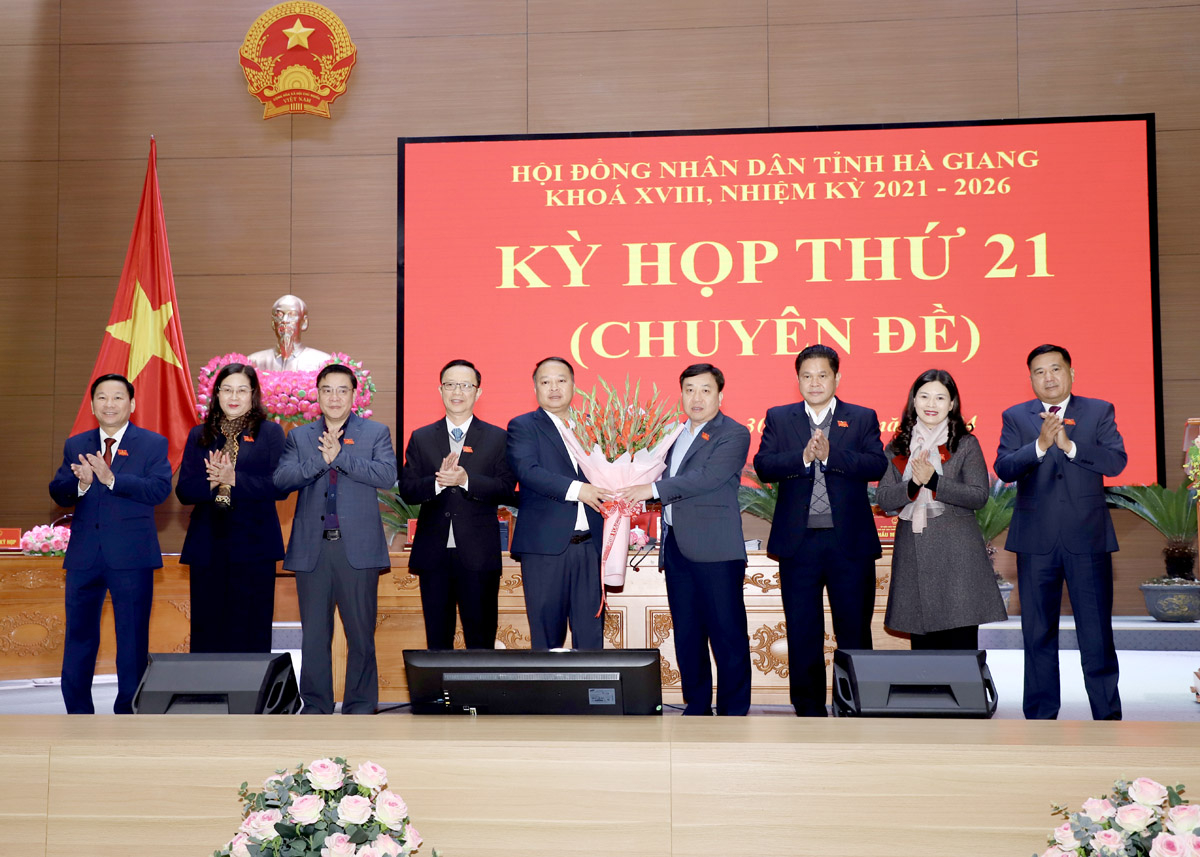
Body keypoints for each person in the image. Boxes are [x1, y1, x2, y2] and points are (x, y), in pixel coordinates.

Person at [753, 345, 888, 716]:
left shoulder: (860, 417)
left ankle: (856, 705)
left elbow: (877, 463)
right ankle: (808, 708)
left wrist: (831, 456)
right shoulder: (780, 418)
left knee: (855, 632)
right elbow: (764, 465)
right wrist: (804, 457)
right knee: (802, 630)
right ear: (797, 380)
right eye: (807, 376)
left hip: (850, 544)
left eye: (822, 375)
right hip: (799, 544)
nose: (815, 382)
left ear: (837, 378)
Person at [995, 344, 1127, 720]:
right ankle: (1040, 717)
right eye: (1039, 371)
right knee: (1037, 634)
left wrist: (1070, 447)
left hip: (1088, 539)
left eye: (1055, 369)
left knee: (1097, 634)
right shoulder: (1016, 416)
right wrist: (1038, 446)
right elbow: (1004, 467)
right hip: (1036, 542)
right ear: (1031, 378)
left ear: (1071, 373)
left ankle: (1106, 716)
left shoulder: (1098, 411)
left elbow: (1116, 461)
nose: (1048, 377)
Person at [620, 364, 752, 715]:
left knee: (727, 634)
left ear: (720, 396)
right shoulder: (671, 435)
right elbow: (654, 475)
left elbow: (706, 478)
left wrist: (649, 489)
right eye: (689, 389)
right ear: (681, 394)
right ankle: (697, 704)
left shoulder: (733, 433)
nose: (696, 397)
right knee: (688, 633)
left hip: (716, 550)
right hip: (676, 547)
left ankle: (734, 710)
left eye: (705, 390)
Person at [274, 363, 397, 714]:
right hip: (313, 549)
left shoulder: (374, 433)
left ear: (354, 395)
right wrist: (319, 462)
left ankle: (360, 706)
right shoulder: (299, 436)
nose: (334, 397)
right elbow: (282, 481)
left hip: (356, 549)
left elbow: (387, 474)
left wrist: (341, 458)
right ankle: (315, 705)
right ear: (317, 394)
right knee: (314, 637)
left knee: (360, 635)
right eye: (327, 389)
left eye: (342, 390)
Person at [48, 374, 172, 714]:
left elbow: (159, 490)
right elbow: (57, 490)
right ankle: (77, 714)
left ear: (131, 404)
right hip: (85, 556)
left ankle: (128, 713)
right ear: (92, 405)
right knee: (79, 638)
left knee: (131, 641)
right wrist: (82, 485)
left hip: (131, 557)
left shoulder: (152, 443)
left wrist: (111, 478)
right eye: (102, 397)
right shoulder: (77, 443)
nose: (109, 404)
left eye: (118, 397)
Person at [875, 369, 1006, 649]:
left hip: (958, 557)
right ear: (914, 401)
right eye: (924, 396)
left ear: (952, 404)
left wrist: (935, 481)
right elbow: (885, 498)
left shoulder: (965, 444)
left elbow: (979, 495)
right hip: (915, 555)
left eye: (939, 397)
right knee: (924, 657)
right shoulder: (897, 447)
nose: (931, 404)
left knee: (961, 652)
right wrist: (913, 485)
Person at [399, 359, 516, 649]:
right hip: (433, 554)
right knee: (437, 640)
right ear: (440, 391)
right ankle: (438, 696)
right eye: (450, 384)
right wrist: (439, 482)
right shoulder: (422, 437)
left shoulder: (497, 438)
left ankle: (481, 696)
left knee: (481, 639)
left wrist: (465, 479)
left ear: (478, 392)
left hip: (478, 555)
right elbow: (409, 490)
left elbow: (505, 488)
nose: (457, 391)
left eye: (465, 385)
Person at [176, 363, 285, 653]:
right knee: (207, 626)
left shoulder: (270, 433)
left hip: (255, 545)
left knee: (251, 627)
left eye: (241, 390)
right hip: (208, 544)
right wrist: (212, 483)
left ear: (253, 395)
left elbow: (280, 486)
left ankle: (253, 694)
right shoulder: (199, 434)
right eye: (227, 389)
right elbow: (184, 490)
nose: (233, 396)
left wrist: (234, 478)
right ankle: (207, 692)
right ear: (217, 394)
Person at [506, 356, 607, 650]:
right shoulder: (523, 426)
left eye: (561, 380)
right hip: (545, 549)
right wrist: (580, 490)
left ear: (574, 385)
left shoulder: (594, 426)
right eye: (545, 381)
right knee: (547, 637)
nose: (554, 388)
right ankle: (547, 697)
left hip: (592, 546)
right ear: (535, 388)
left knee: (590, 636)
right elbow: (528, 471)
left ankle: (590, 696)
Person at [247, 294, 332, 373]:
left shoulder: (322, 362)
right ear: (273, 323)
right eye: (279, 314)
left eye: (292, 314)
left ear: (304, 323)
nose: (284, 320)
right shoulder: (254, 362)